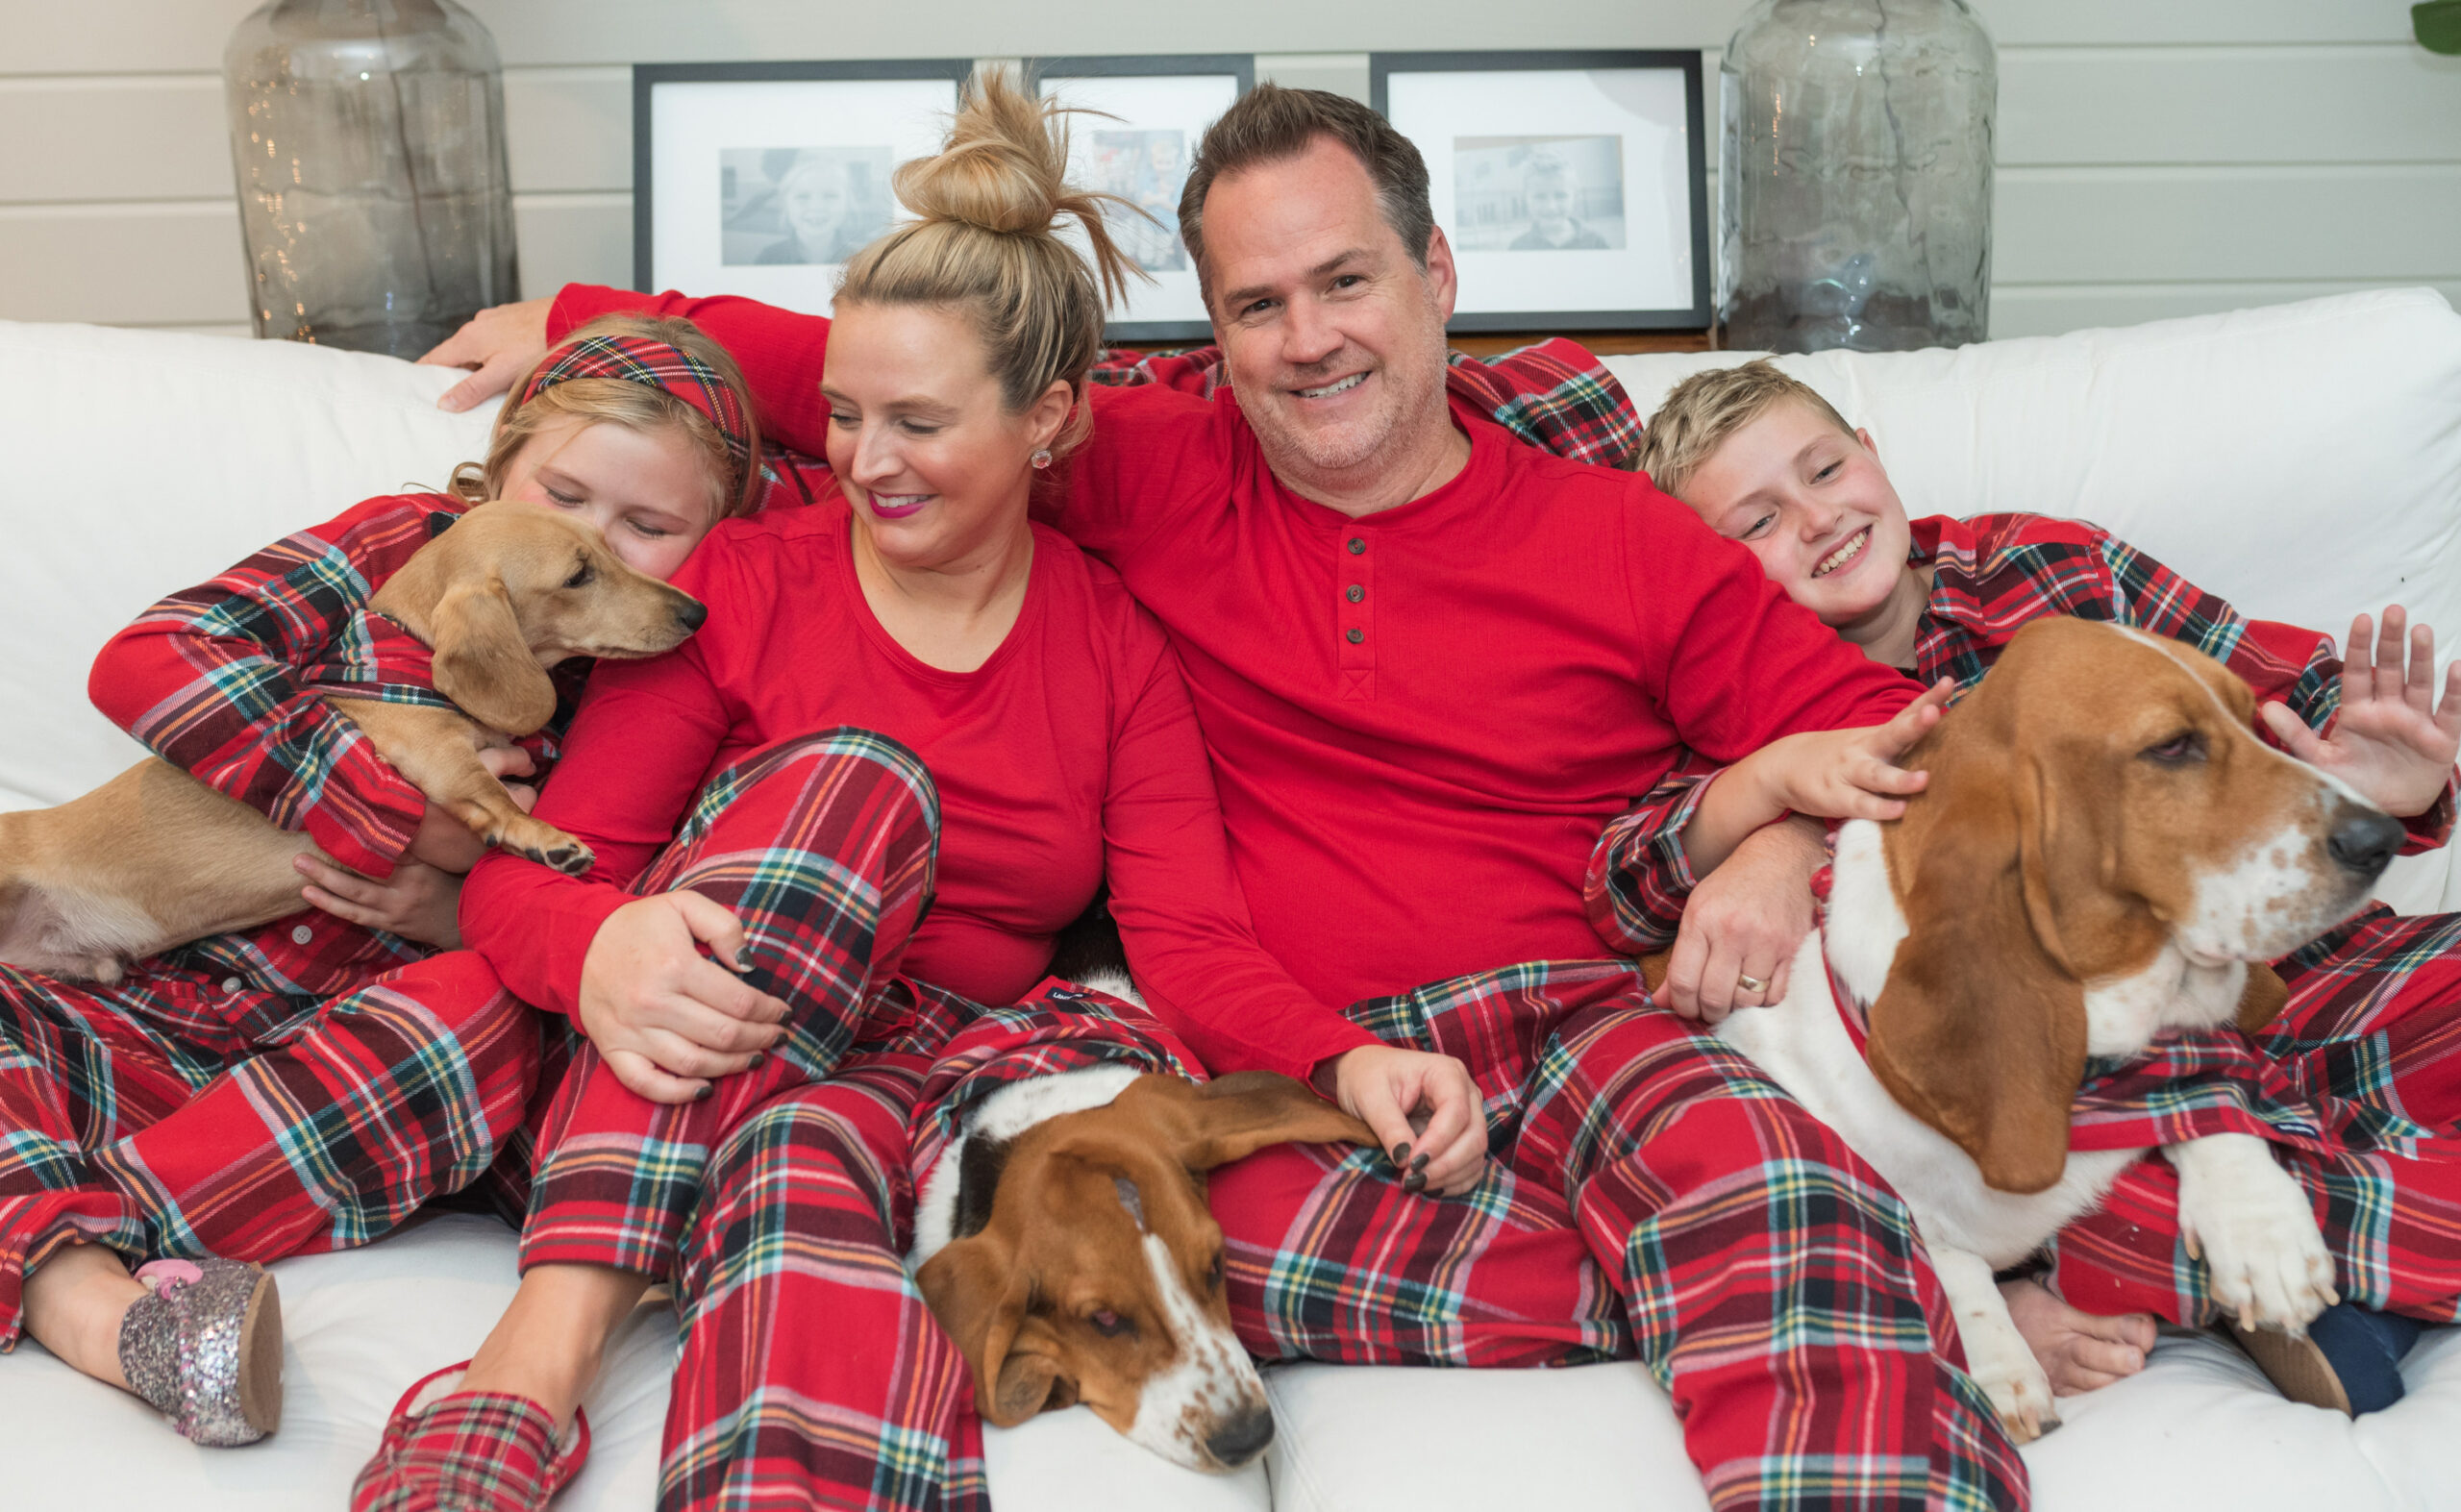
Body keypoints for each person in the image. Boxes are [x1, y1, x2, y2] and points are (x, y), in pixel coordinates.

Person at [420, 84, 2030, 1512]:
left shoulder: (1625, 539)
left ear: (1437, 276)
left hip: (1573, 1015)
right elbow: (888, 380)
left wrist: (1771, 842)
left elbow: (1901, 742)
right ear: (1211, 334)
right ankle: (1694, 1265)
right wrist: (584, 317)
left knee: (1774, 1194)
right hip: (1271, 1068)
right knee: (1087, 1248)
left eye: (1346, 280)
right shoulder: (1161, 464)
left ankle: (1844, 1267)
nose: (1308, 336)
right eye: (1258, 303)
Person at [355, 73, 1503, 1512]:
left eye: (915, 420)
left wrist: (1338, 1061)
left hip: (926, 1077)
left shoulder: (1113, 646)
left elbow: (1190, 944)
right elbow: (531, 873)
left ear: (1049, 425)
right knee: (848, 787)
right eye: (838, 415)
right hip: (683, 1037)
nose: (863, 461)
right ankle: (537, 1362)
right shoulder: (747, 582)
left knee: (798, 1152)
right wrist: (598, 941)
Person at [1598, 358, 2461, 1414]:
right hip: (2047, 1067)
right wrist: (1775, 821)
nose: (1820, 516)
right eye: (1757, 522)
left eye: (1827, 467)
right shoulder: (1719, 691)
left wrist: (2387, 777)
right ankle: (2177, 1246)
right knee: (2052, 1170)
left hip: (2277, 967)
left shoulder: (2051, 574)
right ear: (1700, 570)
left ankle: (2244, 1250)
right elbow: (1624, 877)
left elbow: (2281, 704)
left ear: (1871, 450)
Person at [0, 315, 758, 1450]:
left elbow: (600, 915)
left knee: (486, 1018)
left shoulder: (673, 667)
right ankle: (104, 1305)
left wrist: (451, 900)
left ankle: (69, 1236)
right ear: (503, 466)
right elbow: (152, 660)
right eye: (562, 493)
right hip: (146, 995)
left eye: (648, 526)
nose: (594, 539)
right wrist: (393, 809)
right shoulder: (395, 546)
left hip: (340, 1051)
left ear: (713, 543)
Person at [758, 153, 871, 266]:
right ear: (786, 205)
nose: (816, 206)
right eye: (803, 196)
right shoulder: (768, 258)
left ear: (848, 203)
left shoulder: (861, 260)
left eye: (830, 195)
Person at [1507, 151, 1609, 251]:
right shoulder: (1518, 247)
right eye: (1540, 197)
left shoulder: (1596, 243)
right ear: (1524, 199)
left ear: (1576, 197)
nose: (1551, 207)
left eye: (1561, 196)